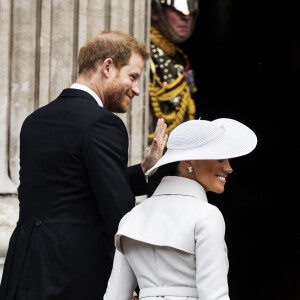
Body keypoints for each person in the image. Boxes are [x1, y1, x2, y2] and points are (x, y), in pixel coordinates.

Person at [0, 31, 167, 300]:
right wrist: (137, 284)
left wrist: (143, 171)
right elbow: (118, 213)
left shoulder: (35, 120)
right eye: (133, 77)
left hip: (24, 273)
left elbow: (71, 187)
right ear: (108, 67)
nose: (136, 89)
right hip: (74, 278)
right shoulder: (104, 123)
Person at [104, 117, 257, 300]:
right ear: (188, 161)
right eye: (220, 158)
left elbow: (114, 296)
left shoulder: (131, 218)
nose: (229, 168)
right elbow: (215, 296)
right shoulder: (207, 215)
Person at [148, 0, 199, 145]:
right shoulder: (146, 56)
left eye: (190, 10)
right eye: (177, 11)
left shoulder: (178, 58)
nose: (186, 17)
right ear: (154, 12)